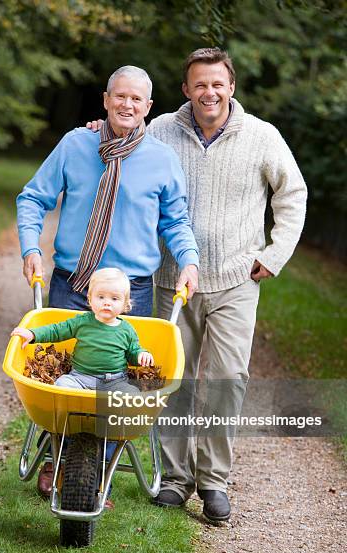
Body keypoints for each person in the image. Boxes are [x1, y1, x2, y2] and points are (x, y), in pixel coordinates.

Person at [87, 47, 307, 521]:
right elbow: (118, 137)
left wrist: (274, 256)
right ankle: (175, 478)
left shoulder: (263, 137)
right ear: (186, 89)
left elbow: (293, 194)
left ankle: (214, 482)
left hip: (235, 279)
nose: (209, 92)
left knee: (227, 378)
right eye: (199, 84)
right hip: (172, 280)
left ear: (231, 87)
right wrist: (95, 129)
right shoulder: (161, 129)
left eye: (218, 83)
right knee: (171, 379)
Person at [16, 64, 199, 497]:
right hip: (72, 283)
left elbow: (176, 221)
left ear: (148, 108)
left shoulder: (161, 159)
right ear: (105, 99)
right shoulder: (75, 144)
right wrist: (30, 247)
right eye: (120, 96)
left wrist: (189, 259)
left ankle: (90, 467)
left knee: (116, 383)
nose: (127, 104)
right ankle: (56, 455)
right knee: (61, 379)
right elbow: (33, 197)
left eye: (137, 99)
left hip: (130, 291)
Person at [11, 268, 154, 392]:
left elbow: (132, 352)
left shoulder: (126, 330)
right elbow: (57, 330)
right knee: (62, 384)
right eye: (101, 296)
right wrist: (33, 334)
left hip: (115, 381)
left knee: (132, 393)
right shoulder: (83, 322)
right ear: (90, 299)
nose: (107, 302)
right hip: (80, 378)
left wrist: (141, 355)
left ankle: (115, 422)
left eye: (114, 299)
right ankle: (70, 418)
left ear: (125, 305)